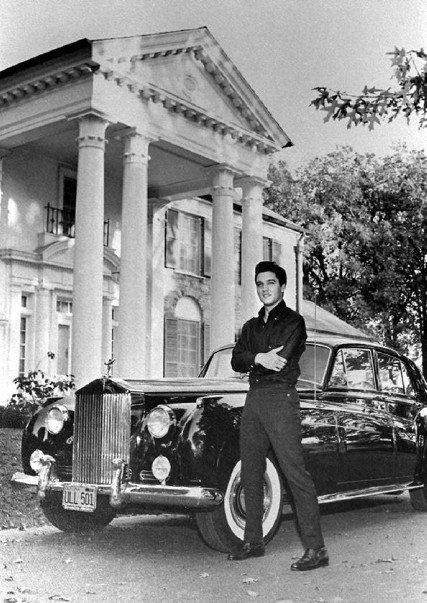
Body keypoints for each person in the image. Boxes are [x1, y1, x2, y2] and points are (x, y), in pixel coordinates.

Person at [228, 261, 328, 571]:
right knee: (252, 471)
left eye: (270, 283)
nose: (264, 288)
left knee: (295, 473)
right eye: (259, 284)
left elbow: (281, 362)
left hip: (282, 400)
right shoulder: (250, 327)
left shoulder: (294, 322)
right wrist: (258, 356)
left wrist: (254, 359)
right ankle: (253, 541)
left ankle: (316, 549)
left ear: (282, 287)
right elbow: (236, 361)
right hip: (255, 400)